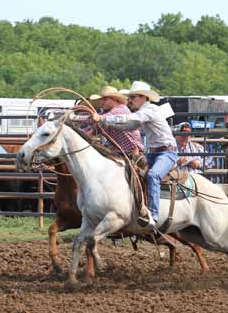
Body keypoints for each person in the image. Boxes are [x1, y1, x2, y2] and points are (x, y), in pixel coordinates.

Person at [92, 81, 177, 230]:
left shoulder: (150, 110)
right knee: (131, 172)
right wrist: (109, 124)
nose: (130, 100)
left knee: (153, 175)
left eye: (133, 97)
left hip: (167, 152)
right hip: (155, 153)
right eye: (130, 97)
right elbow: (129, 126)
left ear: (144, 98)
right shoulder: (143, 114)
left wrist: (104, 119)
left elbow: (129, 120)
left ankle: (154, 216)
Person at [71, 86, 144, 157]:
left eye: (105, 99)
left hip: (132, 153)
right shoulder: (104, 113)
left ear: (115, 99)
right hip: (117, 153)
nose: (101, 102)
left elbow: (102, 118)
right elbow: (91, 123)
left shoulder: (121, 109)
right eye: (101, 99)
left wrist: (96, 118)